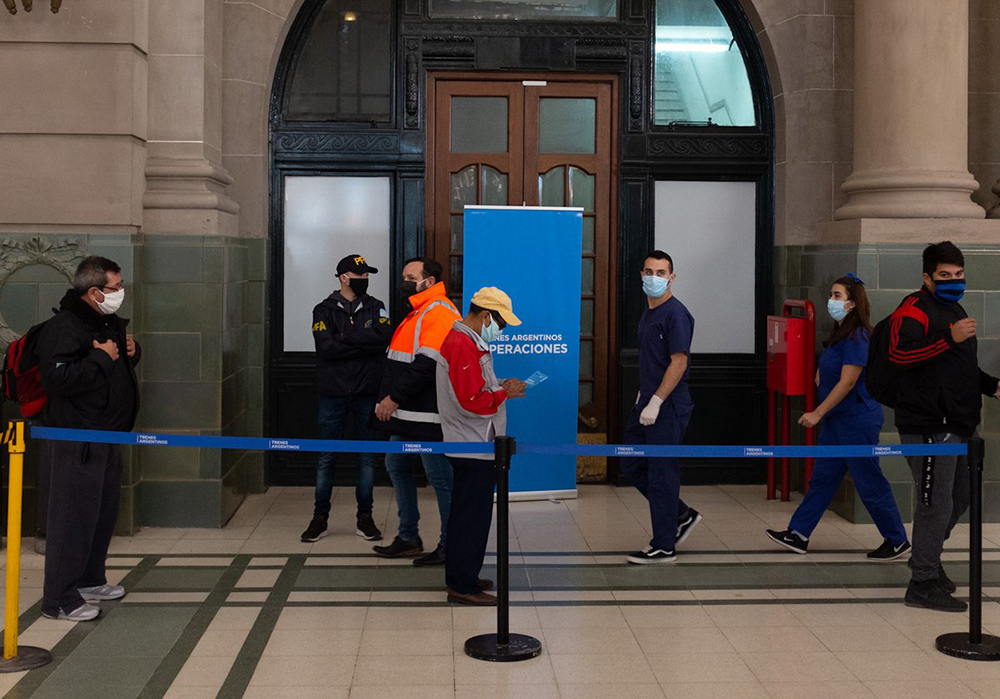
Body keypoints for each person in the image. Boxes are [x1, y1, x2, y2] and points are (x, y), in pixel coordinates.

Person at [766, 275, 910, 560]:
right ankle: (799, 533)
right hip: (838, 421)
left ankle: (896, 539)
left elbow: (848, 382)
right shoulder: (840, 334)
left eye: (837, 296)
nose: (831, 301)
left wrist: (818, 412)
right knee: (823, 478)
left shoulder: (858, 336)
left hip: (856, 420)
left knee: (868, 480)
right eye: (831, 295)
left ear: (852, 304)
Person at [890, 242, 1000, 612]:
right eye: (945, 275)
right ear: (927, 277)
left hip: (959, 422)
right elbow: (899, 355)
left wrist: (991, 386)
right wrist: (947, 338)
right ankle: (922, 582)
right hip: (928, 424)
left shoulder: (955, 308)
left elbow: (959, 367)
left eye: (959, 274)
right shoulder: (914, 309)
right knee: (934, 504)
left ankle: (928, 558)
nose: (954, 281)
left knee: (960, 497)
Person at [36, 256, 140, 621]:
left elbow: (106, 371)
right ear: (94, 292)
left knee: (100, 513)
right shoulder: (64, 327)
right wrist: (100, 357)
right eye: (116, 287)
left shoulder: (103, 321)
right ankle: (58, 600)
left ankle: (89, 580)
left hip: (106, 432)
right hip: (77, 436)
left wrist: (130, 353)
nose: (121, 292)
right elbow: (57, 380)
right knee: (72, 518)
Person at [436, 287, 526, 605]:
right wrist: (504, 393)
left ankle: (465, 576)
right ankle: (462, 585)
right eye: (500, 324)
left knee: (470, 515)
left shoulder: (471, 342)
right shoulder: (461, 343)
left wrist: (500, 386)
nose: (501, 331)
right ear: (486, 316)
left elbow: (475, 387)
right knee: (470, 518)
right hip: (471, 444)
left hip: (476, 442)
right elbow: (471, 400)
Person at [372, 257, 461, 566]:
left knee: (440, 477)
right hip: (407, 414)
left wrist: (393, 398)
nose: (405, 282)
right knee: (396, 465)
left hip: (426, 415)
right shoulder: (420, 310)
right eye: (404, 277)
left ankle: (451, 545)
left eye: (410, 278)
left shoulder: (440, 311)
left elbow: (426, 365)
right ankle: (408, 537)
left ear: (429, 281)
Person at [300, 254, 392, 544]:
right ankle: (319, 519)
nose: (364, 279)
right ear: (343, 277)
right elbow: (325, 348)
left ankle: (365, 518)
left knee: (367, 457)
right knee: (326, 457)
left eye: (366, 275)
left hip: (367, 392)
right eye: (359, 275)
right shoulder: (323, 309)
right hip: (333, 393)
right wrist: (363, 340)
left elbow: (383, 337)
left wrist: (344, 338)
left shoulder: (376, 306)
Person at [621, 251, 702, 564]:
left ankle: (664, 545)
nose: (653, 278)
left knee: (661, 474)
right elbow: (652, 361)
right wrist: (644, 397)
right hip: (645, 403)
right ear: (641, 275)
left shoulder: (675, 314)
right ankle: (680, 514)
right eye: (649, 272)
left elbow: (678, 362)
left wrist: (656, 401)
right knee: (630, 463)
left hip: (666, 406)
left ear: (671, 277)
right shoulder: (649, 312)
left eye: (661, 272)